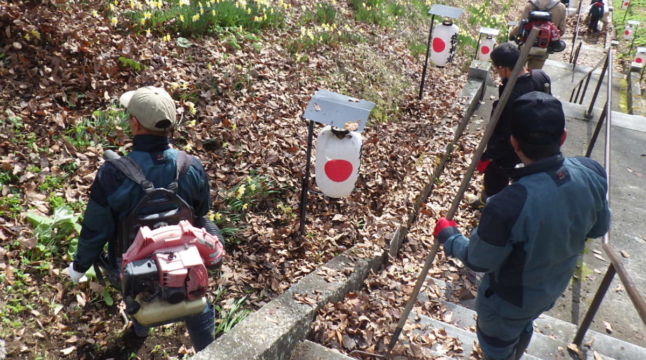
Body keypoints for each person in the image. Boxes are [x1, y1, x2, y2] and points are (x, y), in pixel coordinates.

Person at [433, 92, 611, 360]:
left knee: (496, 344)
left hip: (509, 299)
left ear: (513, 142)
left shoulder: (507, 204)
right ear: (562, 136)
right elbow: (598, 229)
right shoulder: (591, 171)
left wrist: (450, 236)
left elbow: (479, 260)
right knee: (523, 324)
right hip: (551, 285)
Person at [66, 86, 219, 352]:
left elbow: (96, 228)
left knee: (133, 284)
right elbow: (201, 212)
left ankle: (140, 325)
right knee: (198, 305)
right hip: (184, 258)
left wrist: (79, 267)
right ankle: (209, 351)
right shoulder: (191, 166)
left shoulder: (112, 174)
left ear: (134, 123)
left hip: (131, 264)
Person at [468, 43, 551, 209]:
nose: (497, 73)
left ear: (503, 68)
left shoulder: (511, 95)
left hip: (515, 143)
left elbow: (505, 133)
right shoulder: (541, 76)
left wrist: (489, 156)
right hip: (538, 136)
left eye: (496, 68)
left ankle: (489, 205)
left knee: (495, 174)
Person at [510, 0, 567, 69]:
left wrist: (512, 35)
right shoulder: (561, 7)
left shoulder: (531, 5)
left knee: (518, 71)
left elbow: (521, 26)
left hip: (526, 45)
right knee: (534, 74)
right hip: (543, 48)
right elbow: (561, 30)